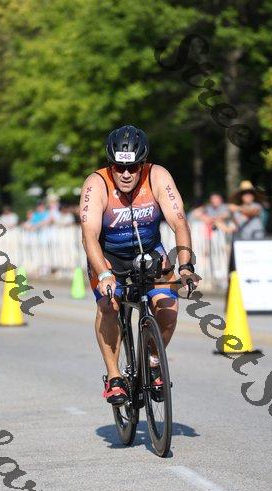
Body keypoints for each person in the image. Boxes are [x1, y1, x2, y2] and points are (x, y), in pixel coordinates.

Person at [79, 124, 200, 406]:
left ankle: (153, 361)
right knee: (109, 305)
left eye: (132, 167)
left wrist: (185, 267)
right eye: (118, 167)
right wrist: (104, 274)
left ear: (142, 164)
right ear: (110, 164)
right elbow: (89, 236)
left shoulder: (158, 176)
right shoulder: (96, 184)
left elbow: (179, 223)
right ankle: (114, 377)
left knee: (168, 308)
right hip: (109, 257)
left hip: (150, 252)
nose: (125, 174)